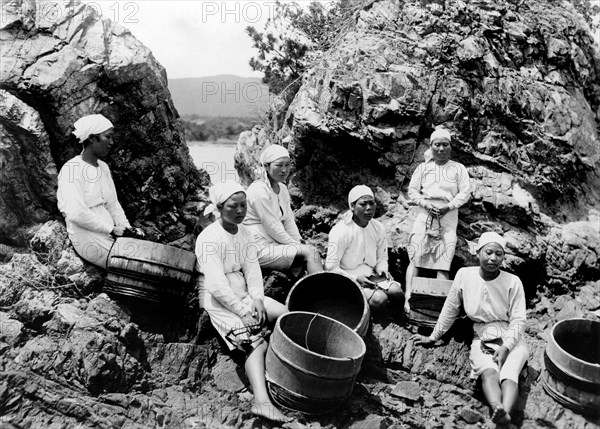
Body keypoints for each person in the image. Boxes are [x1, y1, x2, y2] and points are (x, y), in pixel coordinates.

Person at [413, 232, 528, 428]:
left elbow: (519, 319)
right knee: (489, 372)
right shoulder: (464, 275)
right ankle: (497, 407)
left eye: (499, 254)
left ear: (504, 257)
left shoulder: (513, 281)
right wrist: (433, 337)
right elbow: (450, 309)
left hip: (510, 335)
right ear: (478, 252)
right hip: (481, 335)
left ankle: (505, 414)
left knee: (509, 374)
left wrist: (507, 347)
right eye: (488, 252)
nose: (493, 258)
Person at [195, 182, 289, 423]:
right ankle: (262, 401)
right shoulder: (208, 238)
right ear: (218, 208)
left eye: (243, 206)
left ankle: (286, 368)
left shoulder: (245, 232)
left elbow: (252, 269)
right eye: (232, 206)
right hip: (218, 299)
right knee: (253, 342)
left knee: (286, 314)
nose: (239, 211)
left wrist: (257, 298)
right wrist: (242, 313)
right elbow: (216, 286)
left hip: (243, 291)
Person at [405, 128, 471, 314]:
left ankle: (438, 309)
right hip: (425, 214)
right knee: (416, 256)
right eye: (437, 145)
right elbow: (412, 191)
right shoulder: (423, 168)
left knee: (443, 259)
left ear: (450, 147)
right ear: (431, 146)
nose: (441, 149)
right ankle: (409, 300)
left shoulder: (458, 169)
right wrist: (425, 204)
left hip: (448, 214)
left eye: (445, 145)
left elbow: (465, 193)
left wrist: (448, 207)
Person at [57, 114, 131, 269]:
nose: (112, 142)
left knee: (147, 256)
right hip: (86, 236)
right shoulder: (71, 169)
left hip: (110, 233)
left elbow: (113, 205)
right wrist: (111, 229)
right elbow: (76, 213)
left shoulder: (103, 167)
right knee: (134, 264)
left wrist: (128, 230)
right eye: (108, 137)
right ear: (91, 138)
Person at [244, 144, 322, 275]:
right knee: (311, 252)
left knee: (310, 252)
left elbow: (288, 221)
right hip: (258, 248)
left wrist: (297, 240)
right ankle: (323, 293)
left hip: (276, 243)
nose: (284, 170)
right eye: (279, 165)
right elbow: (272, 226)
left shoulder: (283, 189)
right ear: (267, 167)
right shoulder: (258, 191)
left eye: (288, 165)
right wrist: (296, 245)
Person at [326, 185, 404, 310]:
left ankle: (398, 320)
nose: (369, 208)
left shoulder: (378, 227)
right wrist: (356, 278)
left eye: (371, 203)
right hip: (348, 277)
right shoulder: (340, 231)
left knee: (397, 293)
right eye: (363, 204)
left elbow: (382, 256)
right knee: (380, 299)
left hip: (372, 275)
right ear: (352, 206)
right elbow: (331, 267)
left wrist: (382, 269)